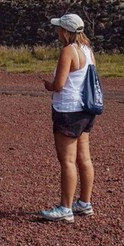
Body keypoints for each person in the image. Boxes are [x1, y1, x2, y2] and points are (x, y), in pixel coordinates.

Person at [40, 13, 97, 223]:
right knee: (84, 158)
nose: (57, 32)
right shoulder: (88, 51)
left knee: (67, 161)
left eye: (59, 29)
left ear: (65, 31)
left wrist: (48, 84)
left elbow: (59, 84)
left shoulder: (68, 51)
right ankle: (84, 202)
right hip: (85, 110)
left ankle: (65, 207)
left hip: (68, 110)